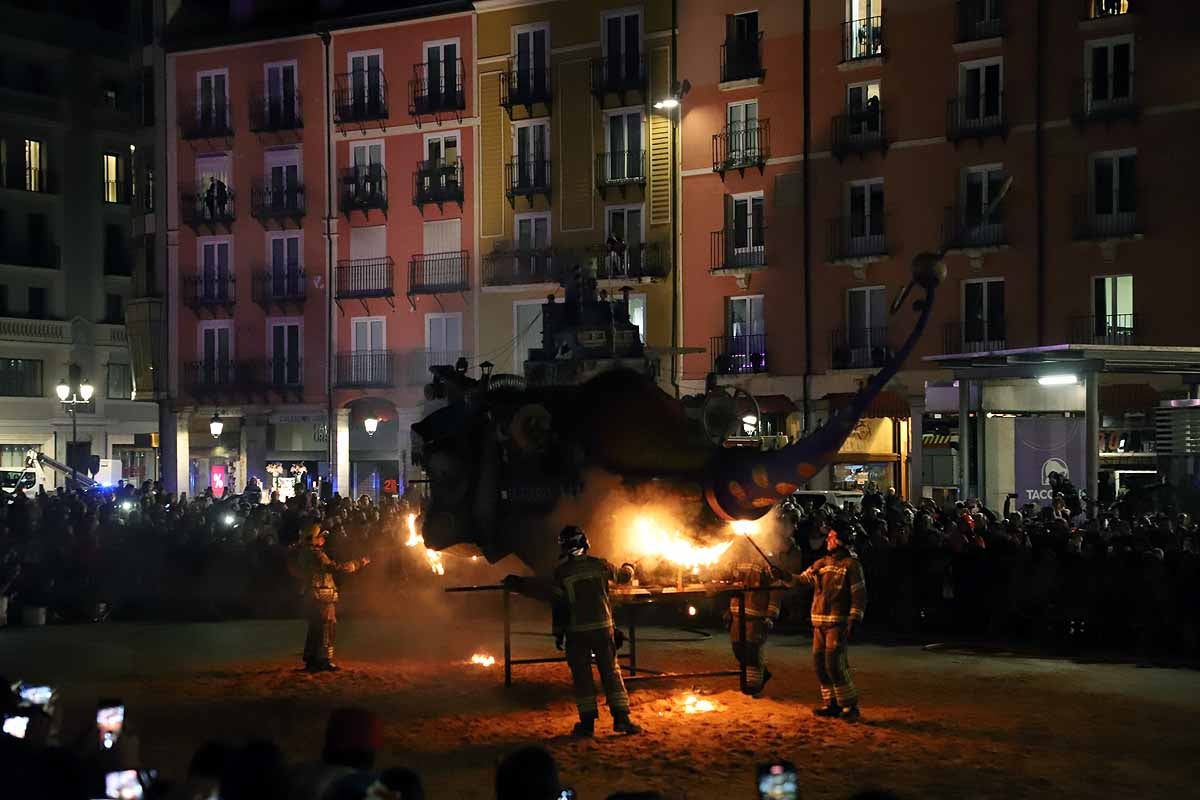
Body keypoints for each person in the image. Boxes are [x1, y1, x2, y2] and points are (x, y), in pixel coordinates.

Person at [551, 525, 642, 737]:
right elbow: (623, 577)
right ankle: (621, 719)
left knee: (582, 676)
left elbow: (559, 606)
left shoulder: (561, 573)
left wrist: (558, 632)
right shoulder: (600, 565)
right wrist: (630, 565)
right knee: (611, 673)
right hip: (603, 629)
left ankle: (587, 724)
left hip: (576, 632)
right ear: (585, 543)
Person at [785, 521, 868, 721]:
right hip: (818, 624)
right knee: (820, 665)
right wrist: (784, 576)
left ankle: (849, 706)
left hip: (836, 624)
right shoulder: (821, 563)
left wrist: (854, 619)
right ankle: (831, 704)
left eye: (832, 536)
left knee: (834, 665)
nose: (828, 540)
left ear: (842, 540)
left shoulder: (851, 565)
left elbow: (859, 594)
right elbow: (802, 580)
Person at [288, 524, 370, 672]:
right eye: (320, 536)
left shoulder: (303, 553)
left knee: (315, 628)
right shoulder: (316, 554)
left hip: (312, 595)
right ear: (313, 539)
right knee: (327, 627)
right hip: (321, 596)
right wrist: (358, 563)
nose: (323, 539)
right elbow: (336, 568)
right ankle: (324, 660)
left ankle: (311, 660)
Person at [726, 562, 784, 696]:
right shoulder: (736, 561)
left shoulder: (766, 565)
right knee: (738, 649)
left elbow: (776, 590)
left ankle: (754, 687)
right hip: (737, 616)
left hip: (757, 617)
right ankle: (757, 678)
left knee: (753, 651)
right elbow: (729, 584)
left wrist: (770, 615)